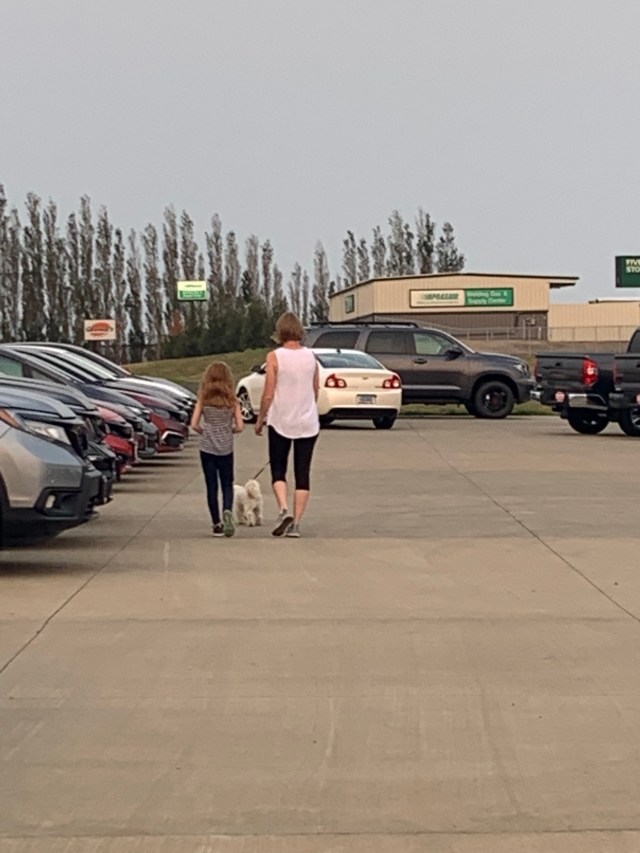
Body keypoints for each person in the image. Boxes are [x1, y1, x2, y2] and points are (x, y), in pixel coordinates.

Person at [255, 312, 319, 538]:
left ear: (279, 332)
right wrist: (309, 408)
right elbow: (315, 389)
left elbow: (268, 393)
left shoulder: (274, 357)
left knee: (278, 468)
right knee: (303, 472)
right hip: (307, 422)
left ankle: (283, 508)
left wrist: (261, 419)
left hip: (281, 419)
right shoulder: (311, 356)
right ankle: (297, 524)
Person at [190, 361, 243, 537]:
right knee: (227, 484)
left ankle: (216, 523)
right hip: (226, 448)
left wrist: (205, 431)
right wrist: (229, 430)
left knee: (211, 486)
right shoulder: (232, 401)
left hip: (207, 448)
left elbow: (194, 424)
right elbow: (240, 426)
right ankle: (227, 509)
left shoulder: (203, 400)